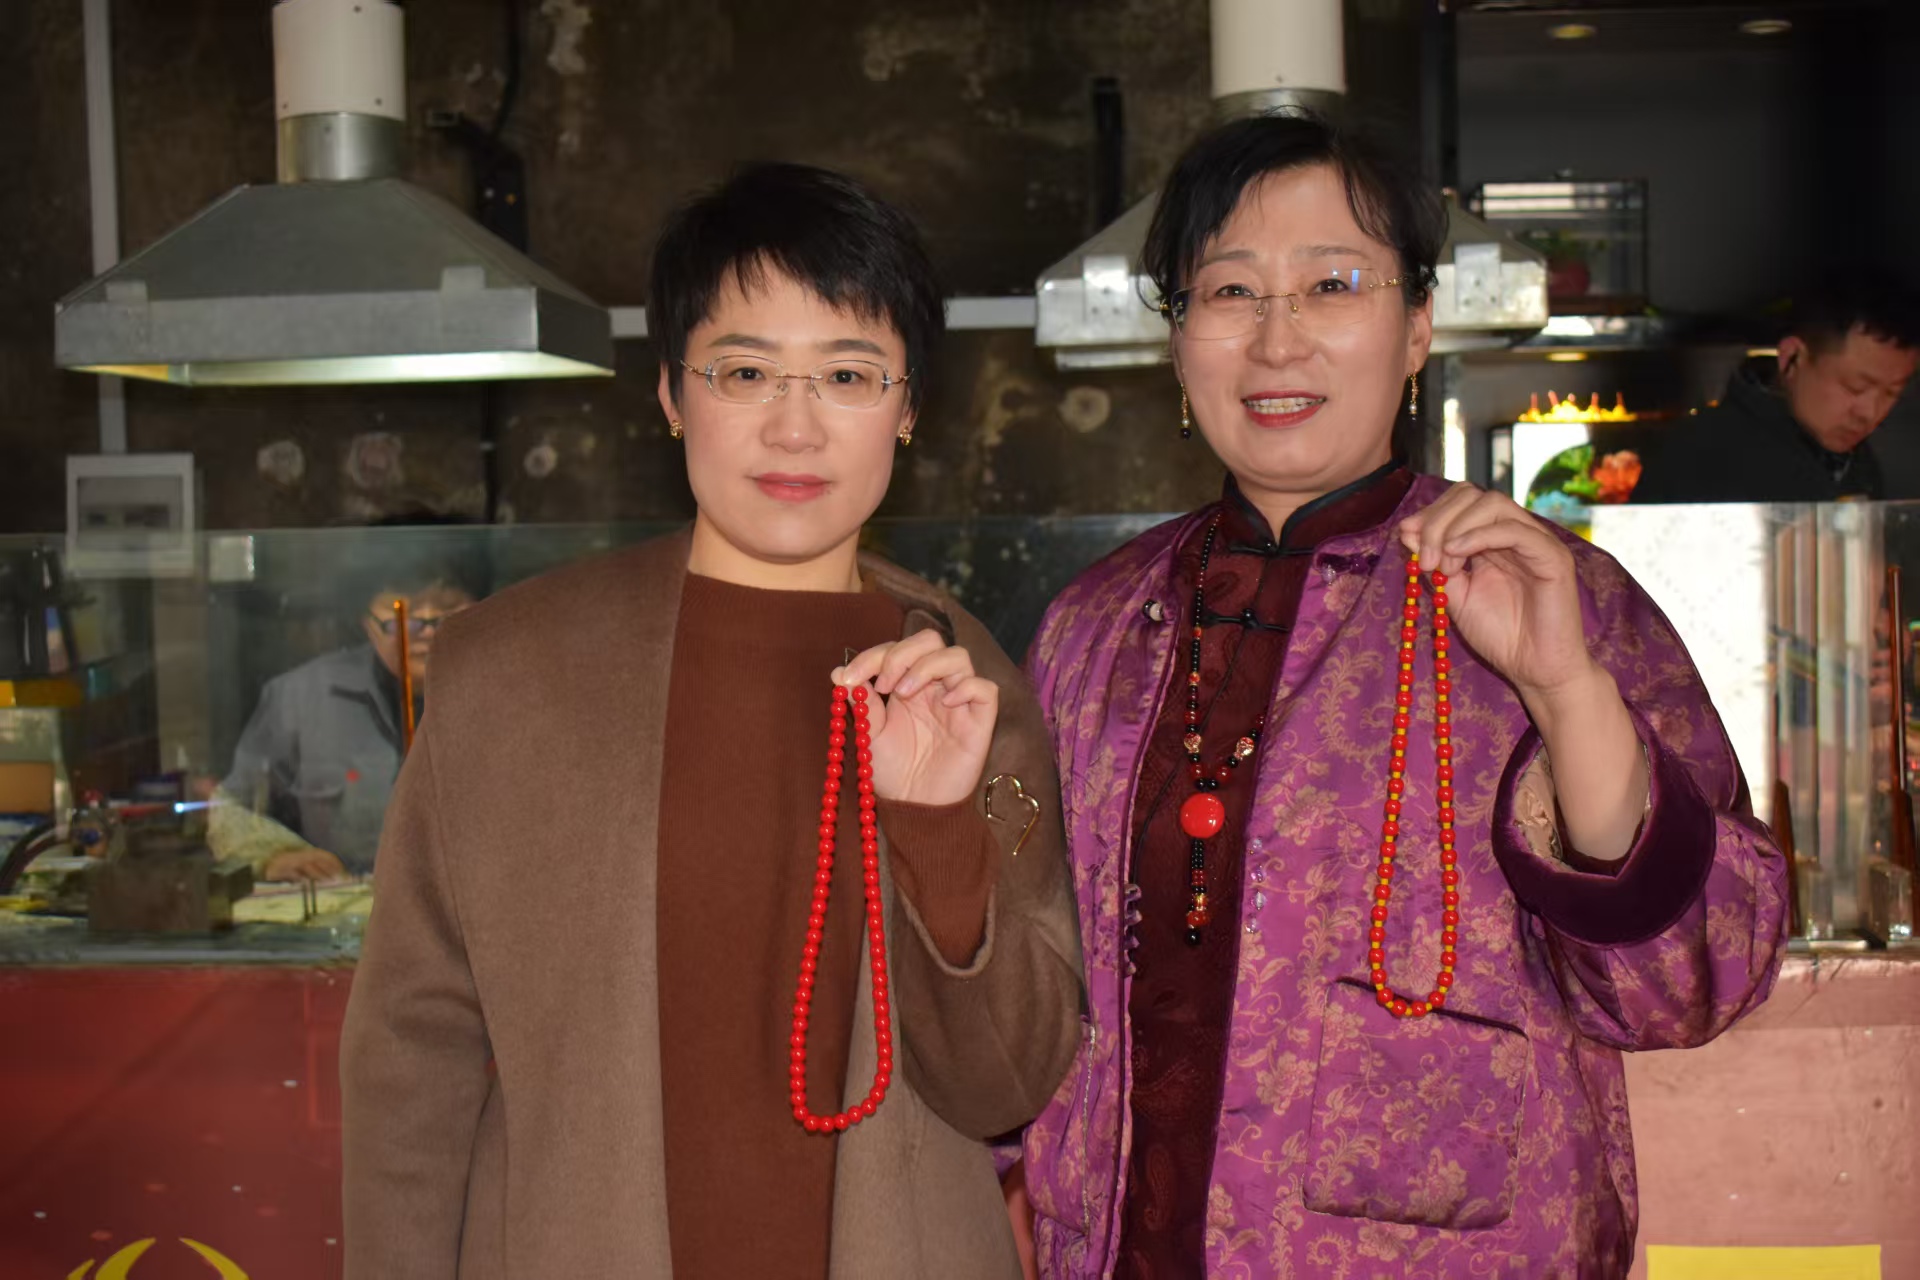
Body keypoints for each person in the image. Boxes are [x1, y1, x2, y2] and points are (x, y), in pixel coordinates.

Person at [1016, 110, 1789, 1279]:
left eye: (1333, 284)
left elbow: (1693, 980)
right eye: (1229, 291)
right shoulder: (1094, 626)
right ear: (1177, 337)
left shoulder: (1548, 590)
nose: (1277, 340)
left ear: (1417, 323)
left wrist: (1566, 688)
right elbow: (1029, 992)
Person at [340, 163, 1083, 1278]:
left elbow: (1008, 1084)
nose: (795, 428)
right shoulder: (510, 672)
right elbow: (413, 1053)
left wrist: (937, 835)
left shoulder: (963, 687)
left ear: (908, 407)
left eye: (848, 374)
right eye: (745, 372)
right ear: (672, 395)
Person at [209, 537, 479, 881]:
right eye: (403, 617)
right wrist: (273, 857)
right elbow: (231, 808)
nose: (426, 632)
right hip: (349, 906)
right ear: (367, 623)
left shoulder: (518, 694)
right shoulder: (300, 697)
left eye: (447, 611)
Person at [1632, 280, 1920, 503]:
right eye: (1854, 386)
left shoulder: (1860, 464)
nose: (1869, 413)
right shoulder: (1700, 456)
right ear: (1791, 357)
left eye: (1891, 393)